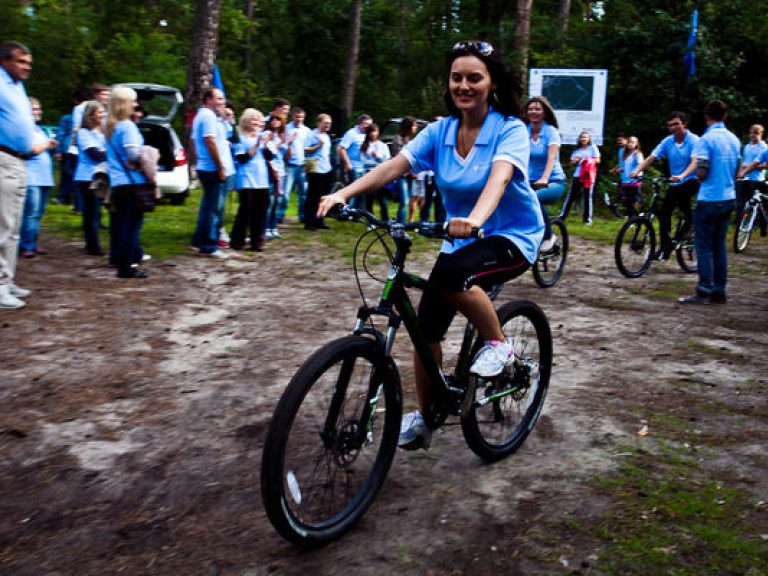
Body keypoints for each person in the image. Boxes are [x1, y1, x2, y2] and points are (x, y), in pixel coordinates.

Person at [318, 40, 544, 449]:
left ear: (491, 83)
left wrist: (475, 220)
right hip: (459, 238)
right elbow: (393, 166)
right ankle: (425, 417)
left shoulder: (508, 129)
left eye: (474, 77)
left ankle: (499, 345)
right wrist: (344, 194)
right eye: (457, 77)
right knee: (426, 332)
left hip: (511, 235)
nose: (464, 85)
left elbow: (501, 177)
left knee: (455, 274)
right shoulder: (439, 131)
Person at [679, 99, 740, 304]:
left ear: (707, 116)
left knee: (703, 245)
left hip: (709, 198)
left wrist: (697, 177)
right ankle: (719, 289)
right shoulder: (734, 140)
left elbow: (702, 171)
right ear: (725, 116)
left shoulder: (706, 140)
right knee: (719, 246)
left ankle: (704, 288)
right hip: (729, 196)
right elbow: (737, 170)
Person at [631, 111, 700, 259]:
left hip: (692, 179)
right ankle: (665, 249)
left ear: (684, 124)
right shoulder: (668, 141)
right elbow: (652, 157)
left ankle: (692, 227)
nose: (673, 128)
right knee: (664, 213)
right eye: (670, 125)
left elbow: (695, 162)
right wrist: (636, 170)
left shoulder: (694, 140)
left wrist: (682, 175)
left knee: (683, 203)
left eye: (676, 124)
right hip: (675, 182)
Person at [0, 41, 36, 309]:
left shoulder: (16, 86)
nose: (27, 67)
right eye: (21, 62)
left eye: (29, 63)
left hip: (19, 161)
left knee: (13, 228)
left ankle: (7, 279)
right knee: (2, 226)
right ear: (5, 60)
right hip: (3, 159)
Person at [106, 86, 150, 279]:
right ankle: (127, 265)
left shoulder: (111, 126)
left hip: (118, 181)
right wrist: (148, 156)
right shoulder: (127, 126)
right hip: (132, 182)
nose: (135, 104)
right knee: (132, 225)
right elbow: (133, 153)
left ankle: (121, 260)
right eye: (133, 101)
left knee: (121, 223)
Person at [189, 87, 234, 258]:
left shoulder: (206, 116)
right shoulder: (207, 116)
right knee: (213, 208)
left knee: (207, 205)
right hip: (213, 168)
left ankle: (199, 239)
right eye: (220, 99)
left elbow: (194, 141)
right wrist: (220, 167)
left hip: (207, 166)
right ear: (209, 100)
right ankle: (209, 245)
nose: (223, 102)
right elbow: (209, 141)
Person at [523, 96, 566, 252]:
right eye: (531, 108)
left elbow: (551, 158)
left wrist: (545, 178)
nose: (533, 111)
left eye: (537, 109)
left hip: (553, 181)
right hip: (530, 179)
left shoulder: (551, 132)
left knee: (535, 197)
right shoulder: (523, 131)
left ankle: (549, 236)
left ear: (545, 113)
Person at [20, 97, 57, 258]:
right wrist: (47, 145)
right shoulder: (24, 130)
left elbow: (42, 148)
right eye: (34, 109)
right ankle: (25, 245)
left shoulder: (39, 130)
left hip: (44, 177)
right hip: (31, 177)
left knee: (40, 212)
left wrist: (51, 147)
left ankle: (33, 242)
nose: (38, 112)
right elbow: (31, 150)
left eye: (39, 109)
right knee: (31, 212)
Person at [230, 108, 269, 252]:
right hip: (246, 178)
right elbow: (242, 158)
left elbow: (269, 156)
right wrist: (257, 145)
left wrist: (268, 144)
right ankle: (237, 240)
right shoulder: (239, 137)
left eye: (259, 120)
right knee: (246, 210)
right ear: (246, 120)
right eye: (253, 119)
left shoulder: (261, 136)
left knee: (260, 211)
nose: (256, 123)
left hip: (262, 178)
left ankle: (257, 242)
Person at [72, 101, 107, 256]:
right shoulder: (83, 133)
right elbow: (96, 155)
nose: (103, 115)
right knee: (91, 212)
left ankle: (93, 243)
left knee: (98, 211)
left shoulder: (104, 132)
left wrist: (104, 150)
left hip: (103, 175)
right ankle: (92, 246)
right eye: (100, 112)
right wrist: (106, 151)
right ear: (91, 115)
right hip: (87, 176)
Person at [52, 89, 87, 209]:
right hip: (78, 149)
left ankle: (65, 198)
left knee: (67, 175)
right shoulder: (88, 112)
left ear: (75, 100)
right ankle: (68, 199)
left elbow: (61, 135)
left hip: (70, 149)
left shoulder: (67, 118)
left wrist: (58, 151)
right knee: (72, 176)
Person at [561, 130, 600, 224]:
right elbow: (572, 162)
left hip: (588, 176)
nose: (584, 139)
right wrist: (575, 161)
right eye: (582, 137)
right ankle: (562, 216)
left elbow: (597, 160)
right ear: (579, 139)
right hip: (577, 175)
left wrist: (585, 160)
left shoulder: (593, 148)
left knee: (587, 197)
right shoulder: (576, 150)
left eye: (586, 137)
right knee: (571, 196)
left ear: (589, 139)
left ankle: (587, 219)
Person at [303, 113, 333, 230]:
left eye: (329, 124)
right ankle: (309, 222)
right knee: (313, 196)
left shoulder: (327, 136)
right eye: (326, 123)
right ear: (319, 122)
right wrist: (318, 145)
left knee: (323, 197)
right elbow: (305, 151)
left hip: (326, 169)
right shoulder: (312, 134)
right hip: (314, 168)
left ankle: (319, 220)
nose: (328, 126)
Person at [282, 107, 312, 223]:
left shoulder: (307, 131)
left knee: (303, 193)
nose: (299, 119)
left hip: (303, 165)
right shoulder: (286, 128)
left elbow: (310, 148)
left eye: (301, 117)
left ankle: (302, 216)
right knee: (285, 193)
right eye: (297, 117)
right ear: (292, 117)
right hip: (289, 165)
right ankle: (280, 215)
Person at [337, 114, 373, 208]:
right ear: (360, 124)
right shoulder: (351, 133)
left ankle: (358, 213)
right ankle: (347, 212)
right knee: (352, 191)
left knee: (362, 191)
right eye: (366, 124)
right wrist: (348, 164)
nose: (368, 127)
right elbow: (341, 148)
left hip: (364, 167)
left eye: (370, 125)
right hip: (354, 167)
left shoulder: (367, 134)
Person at [263, 113, 290, 239]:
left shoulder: (282, 137)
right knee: (270, 201)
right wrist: (278, 143)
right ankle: (266, 228)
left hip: (281, 172)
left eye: (278, 119)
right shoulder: (266, 135)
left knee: (277, 202)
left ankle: (274, 227)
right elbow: (269, 154)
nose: (275, 121)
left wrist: (289, 144)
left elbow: (287, 157)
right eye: (272, 119)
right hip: (270, 172)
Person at [388, 116, 418, 223]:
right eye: (414, 125)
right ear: (408, 126)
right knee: (404, 201)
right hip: (401, 175)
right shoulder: (398, 138)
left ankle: (402, 226)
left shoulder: (412, 140)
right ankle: (399, 227)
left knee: (408, 201)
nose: (416, 128)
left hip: (411, 175)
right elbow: (399, 157)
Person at [360, 123, 392, 219]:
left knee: (382, 198)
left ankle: (385, 220)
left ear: (378, 133)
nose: (373, 134)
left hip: (380, 174)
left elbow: (387, 160)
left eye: (375, 131)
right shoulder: (365, 146)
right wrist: (376, 162)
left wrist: (376, 157)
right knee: (369, 198)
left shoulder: (383, 146)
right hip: (369, 173)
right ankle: (370, 220)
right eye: (371, 132)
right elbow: (365, 162)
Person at [735, 124, 767, 215]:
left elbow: (766, 165)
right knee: (741, 203)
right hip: (744, 178)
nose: (752, 135)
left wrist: (752, 166)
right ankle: (739, 224)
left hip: (756, 179)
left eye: (755, 133)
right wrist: (740, 172)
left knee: (753, 204)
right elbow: (743, 162)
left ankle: (754, 225)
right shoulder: (747, 146)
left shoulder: (764, 147)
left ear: (761, 134)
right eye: (751, 133)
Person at [616, 136, 644, 217]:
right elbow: (625, 167)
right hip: (625, 181)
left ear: (636, 144)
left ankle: (635, 218)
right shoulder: (625, 155)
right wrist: (621, 170)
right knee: (626, 202)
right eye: (629, 142)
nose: (630, 144)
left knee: (633, 201)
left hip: (634, 182)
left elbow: (641, 165)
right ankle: (631, 218)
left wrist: (637, 174)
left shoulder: (637, 154)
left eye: (633, 142)